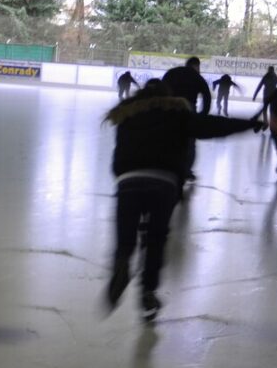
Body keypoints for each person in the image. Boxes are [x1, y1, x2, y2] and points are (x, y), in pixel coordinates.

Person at [105, 79, 263, 321]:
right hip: (163, 182)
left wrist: (123, 176)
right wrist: (248, 124)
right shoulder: (177, 113)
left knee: (125, 238)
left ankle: (122, 261)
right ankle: (148, 291)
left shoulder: (127, 116)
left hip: (128, 181)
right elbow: (212, 126)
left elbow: (119, 153)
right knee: (156, 238)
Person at [162, 57, 212, 180]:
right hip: (188, 109)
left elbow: (161, 89)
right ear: (197, 66)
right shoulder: (196, 77)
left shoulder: (172, 72)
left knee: (168, 139)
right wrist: (203, 115)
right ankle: (186, 170)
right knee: (190, 142)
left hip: (170, 108)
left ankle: (167, 166)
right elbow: (207, 95)